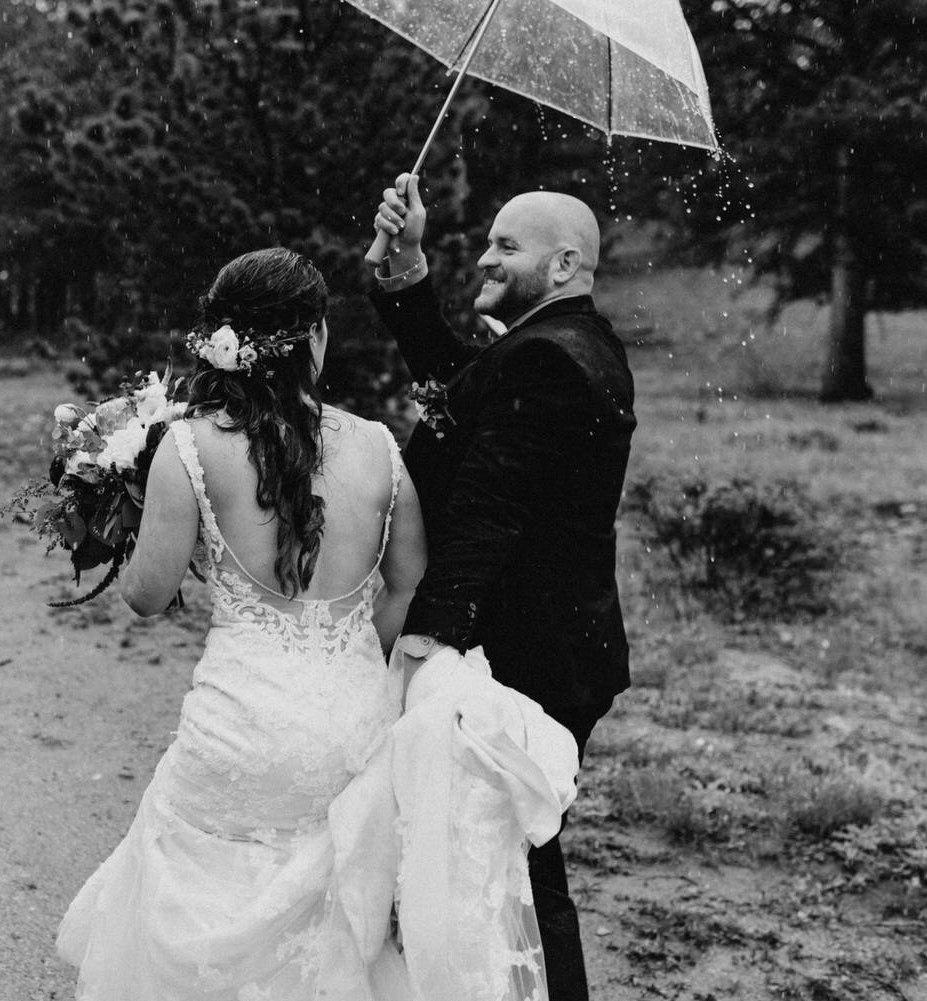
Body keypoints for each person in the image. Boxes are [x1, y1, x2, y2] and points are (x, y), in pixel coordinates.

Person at [55, 247, 429, 998]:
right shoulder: (380, 449)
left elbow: (147, 595)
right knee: (330, 941)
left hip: (241, 729)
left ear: (220, 340)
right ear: (316, 338)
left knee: (201, 915)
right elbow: (408, 584)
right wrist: (347, 653)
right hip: (352, 728)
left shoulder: (191, 446)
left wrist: (117, 516)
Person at [370, 173, 637, 1001]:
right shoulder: (556, 345)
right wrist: (407, 266)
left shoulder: (549, 359)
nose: (484, 256)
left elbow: (491, 508)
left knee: (524, 860)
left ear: (563, 265)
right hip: (552, 642)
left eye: (506, 246)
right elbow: (464, 390)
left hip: (528, 653)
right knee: (509, 852)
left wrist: (422, 637)